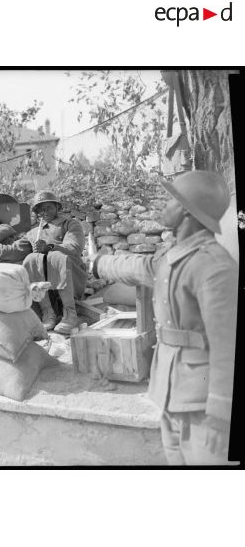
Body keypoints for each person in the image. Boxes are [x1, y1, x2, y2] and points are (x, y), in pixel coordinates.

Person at [89, 170, 237, 465]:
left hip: (202, 399)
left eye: (170, 199)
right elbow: (140, 267)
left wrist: (221, 412)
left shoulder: (215, 267)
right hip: (170, 392)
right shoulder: (174, 255)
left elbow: (228, 349)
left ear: (186, 210)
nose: (162, 205)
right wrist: (99, 264)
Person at [0, 190, 87, 334]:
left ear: (57, 208)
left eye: (48, 207)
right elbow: (13, 250)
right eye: (40, 209)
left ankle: (70, 314)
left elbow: (74, 247)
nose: (44, 211)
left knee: (57, 257)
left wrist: (49, 246)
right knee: (30, 259)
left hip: (72, 275)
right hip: (47, 282)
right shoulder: (33, 233)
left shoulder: (70, 224)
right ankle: (48, 313)